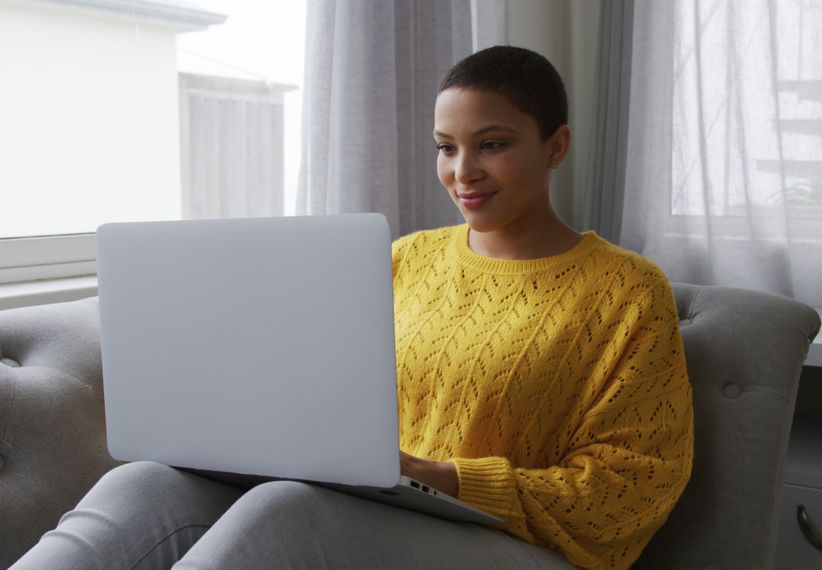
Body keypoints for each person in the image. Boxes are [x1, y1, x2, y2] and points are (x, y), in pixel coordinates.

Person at [13, 45, 693, 570]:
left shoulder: (627, 292)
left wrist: (444, 478)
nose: (463, 172)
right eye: (446, 148)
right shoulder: (405, 258)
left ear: (556, 145)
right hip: (376, 504)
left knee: (289, 512)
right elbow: (325, 391)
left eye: (492, 144)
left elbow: (626, 491)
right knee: (147, 484)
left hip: (519, 543)